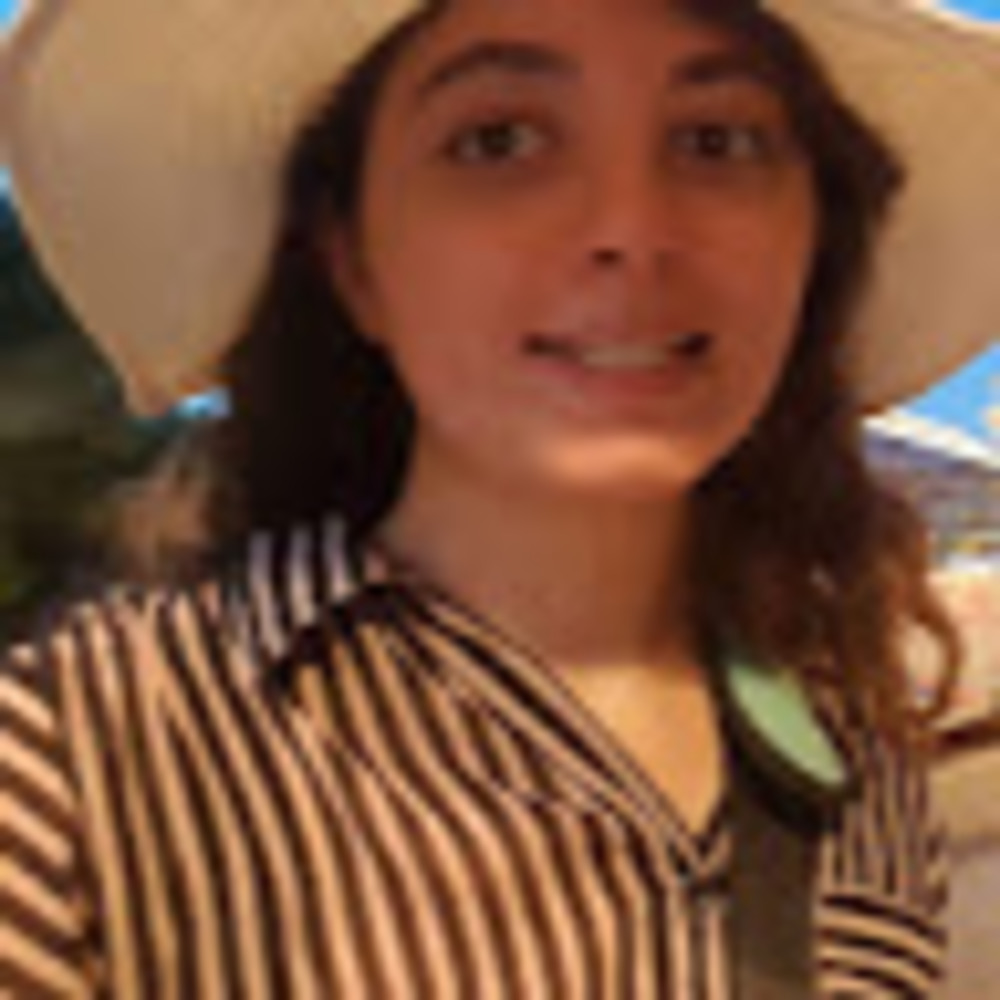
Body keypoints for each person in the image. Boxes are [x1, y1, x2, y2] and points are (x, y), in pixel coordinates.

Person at [1, 0, 997, 996]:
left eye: (716, 141)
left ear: (813, 244)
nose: (631, 229)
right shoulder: (77, 750)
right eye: (499, 140)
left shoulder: (858, 782)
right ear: (352, 260)